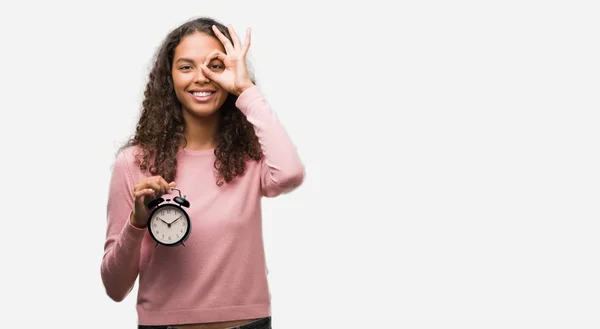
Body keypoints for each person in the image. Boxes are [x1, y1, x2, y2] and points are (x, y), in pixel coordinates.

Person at [100, 16, 305, 329]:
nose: (202, 78)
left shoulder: (250, 157)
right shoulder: (134, 163)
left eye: (215, 65)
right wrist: (137, 222)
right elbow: (115, 287)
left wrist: (245, 88)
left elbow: (290, 174)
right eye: (186, 67)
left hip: (248, 323)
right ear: (169, 78)